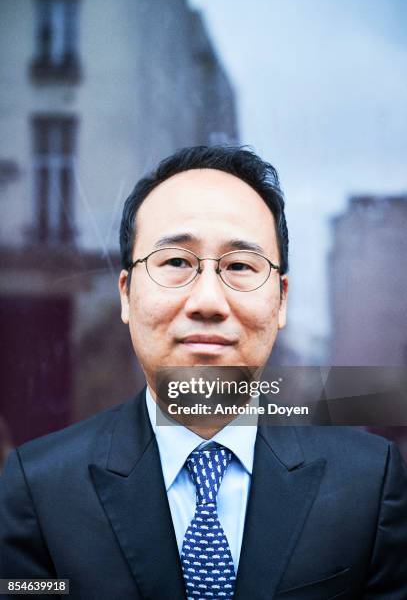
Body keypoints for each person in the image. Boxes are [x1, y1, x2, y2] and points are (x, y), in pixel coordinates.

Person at [1, 145, 406, 599]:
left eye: (239, 266)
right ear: (126, 295)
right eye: (175, 262)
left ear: (281, 301)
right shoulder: (39, 487)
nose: (208, 302)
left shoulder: (368, 481)